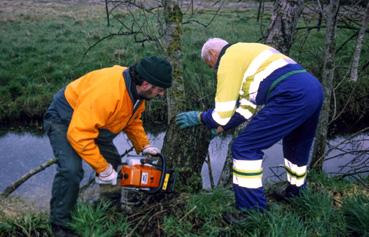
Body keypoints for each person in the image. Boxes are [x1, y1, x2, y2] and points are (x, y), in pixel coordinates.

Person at [176, 38, 324, 221]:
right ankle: (296, 192)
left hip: (291, 94)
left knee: (244, 147)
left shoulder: (227, 60)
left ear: (213, 54)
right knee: (296, 143)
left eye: (210, 65)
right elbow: (246, 109)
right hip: (313, 88)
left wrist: (200, 117)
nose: (212, 70)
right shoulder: (247, 53)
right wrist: (224, 127)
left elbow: (220, 115)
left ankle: (252, 210)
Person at [44, 56, 172, 236]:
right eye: (159, 90)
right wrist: (103, 169)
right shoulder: (109, 93)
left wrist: (143, 146)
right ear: (145, 84)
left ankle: (108, 208)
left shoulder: (136, 94)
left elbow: (132, 121)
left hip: (97, 122)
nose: (161, 94)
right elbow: (79, 134)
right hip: (64, 118)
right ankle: (60, 224)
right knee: (71, 170)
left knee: (113, 163)